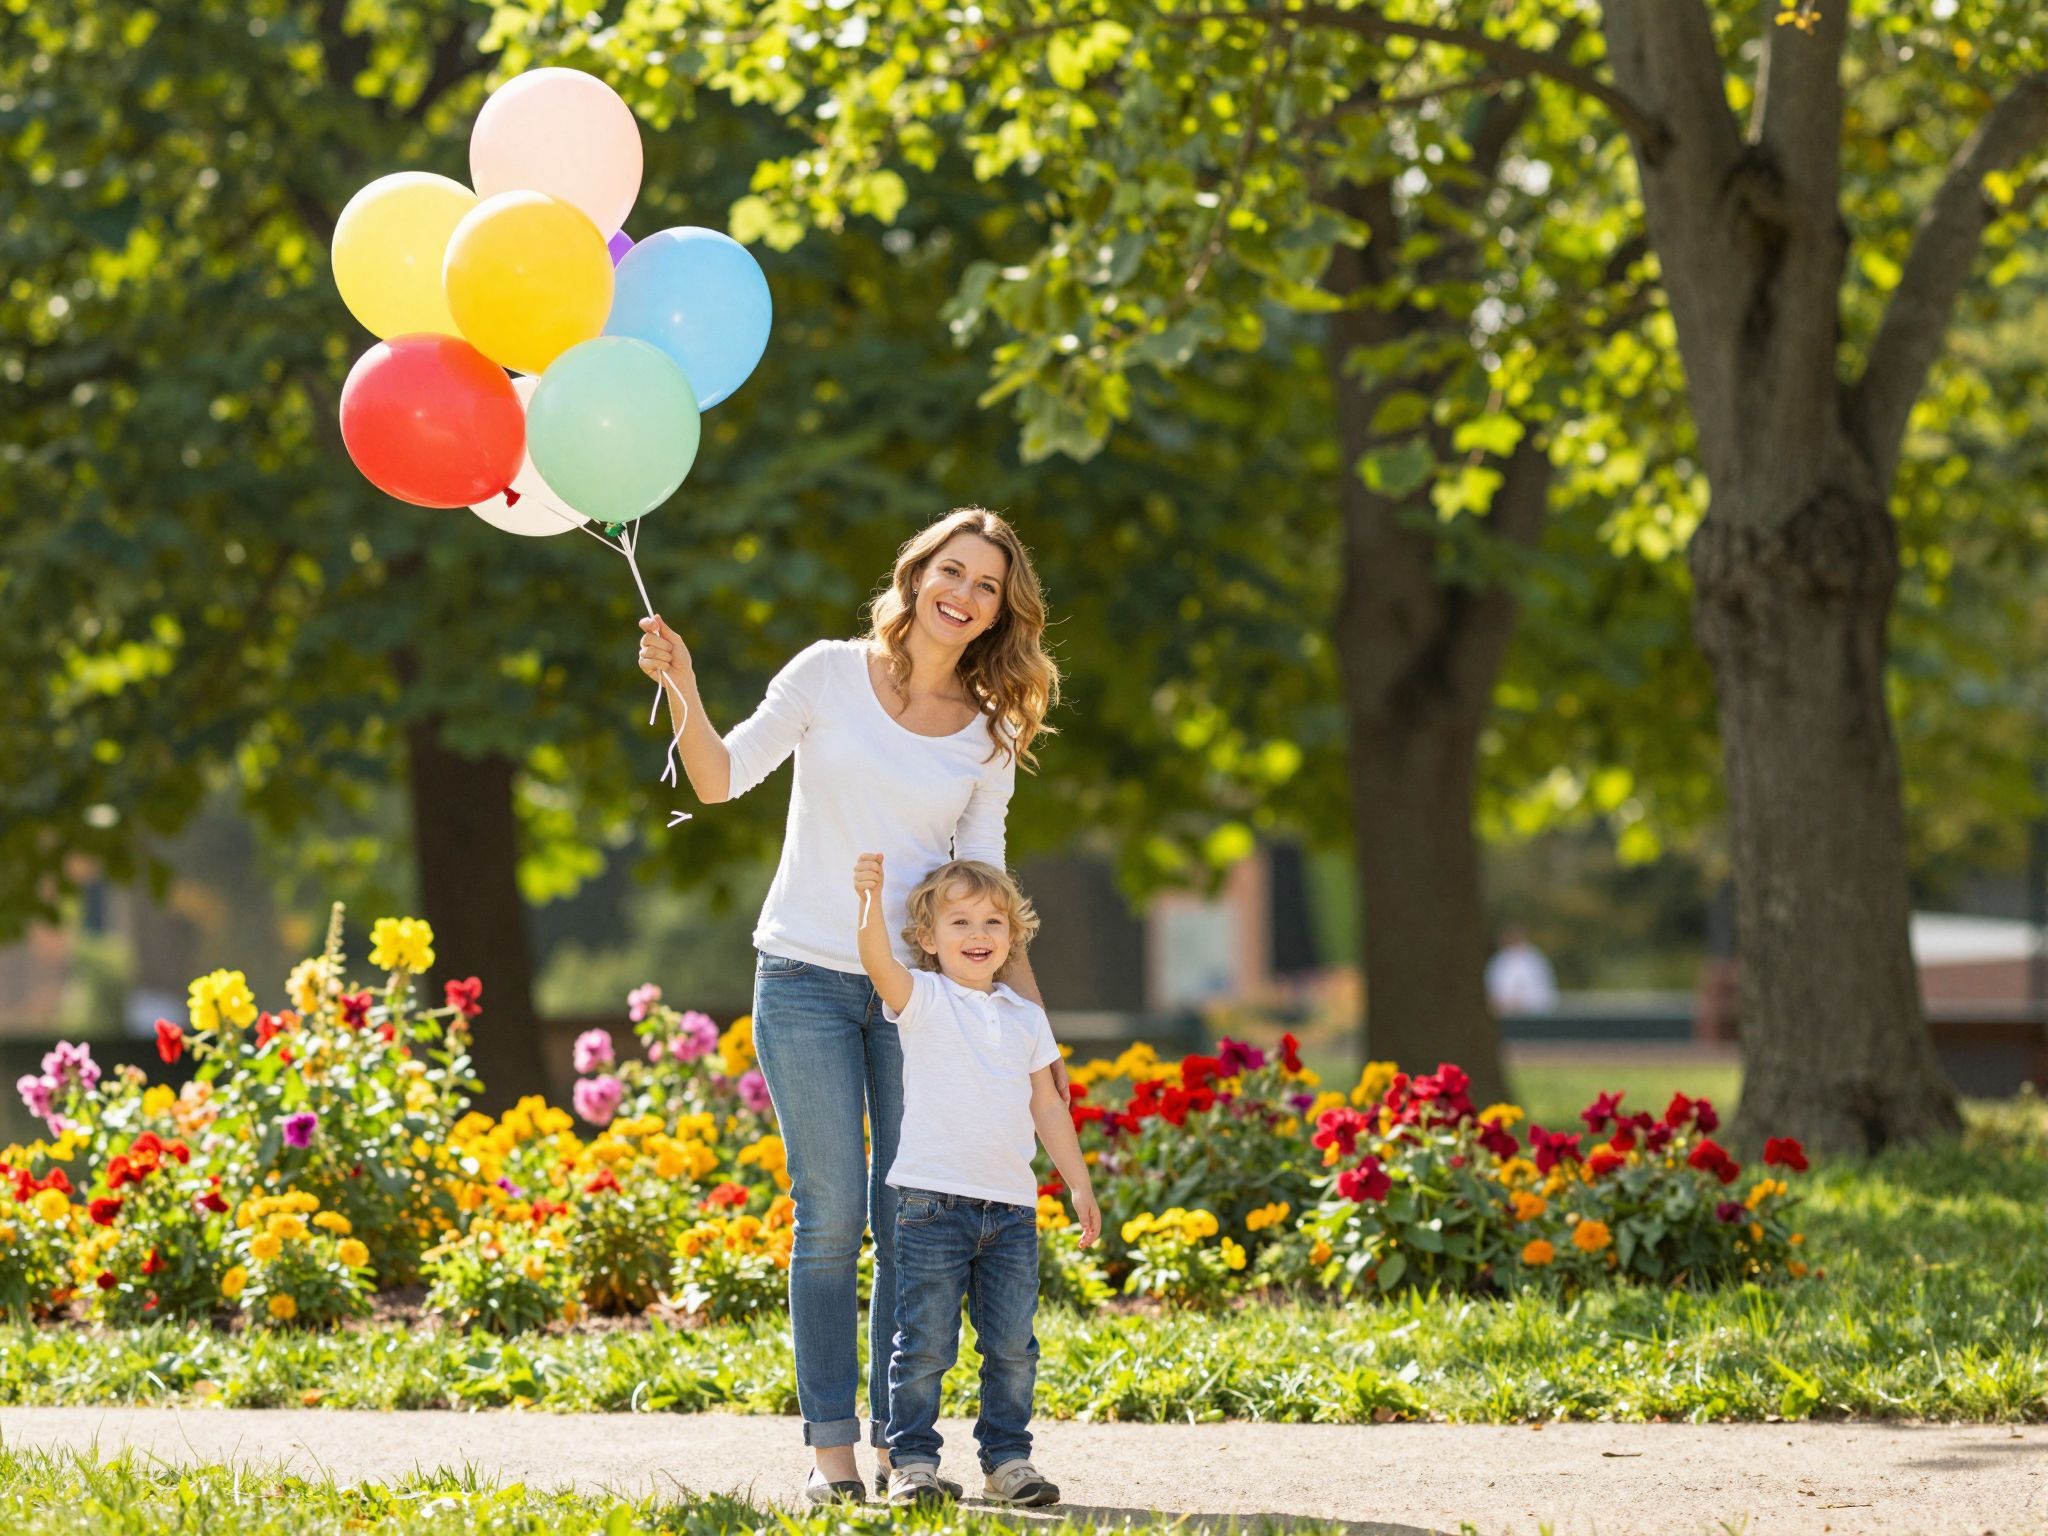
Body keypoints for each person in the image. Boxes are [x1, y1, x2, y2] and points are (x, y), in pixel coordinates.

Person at [634, 507, 1069, 1505]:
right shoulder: (827, 674)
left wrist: (1036, 1042)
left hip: (920, 1001)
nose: (963, 594)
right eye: (950, 571)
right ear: (915, 576)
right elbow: (717, 779)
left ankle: (901, 1455)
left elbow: (990, 894)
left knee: (907, 1221)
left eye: (987, 586)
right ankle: (833, 1458)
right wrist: (683, 685)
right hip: (802, 979)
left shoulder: (990, 732)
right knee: (829, 1218)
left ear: (1001, 612)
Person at [851, 853, 1100, 1508]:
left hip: (1012, 1212)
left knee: (1013, 1348)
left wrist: (1078, 1184)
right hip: (931, 1206)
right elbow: (877, 963)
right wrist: (870, 900)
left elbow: (1048, 1105)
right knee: (925, 1345)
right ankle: (912, 1463)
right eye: (959, 921)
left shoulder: (1025, 1017)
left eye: (993, 921)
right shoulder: (924, 998)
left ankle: (1008, 1460)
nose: (978, 933)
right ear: (928, 939)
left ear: (1012, 936)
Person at [1485, 924, 1560, 1016]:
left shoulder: (1535, 959)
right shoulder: (1499, 961)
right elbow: (1493, 993)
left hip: (1534, 1016)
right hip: (1505, 1016)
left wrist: (1521, 1003)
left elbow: (1545, 993)